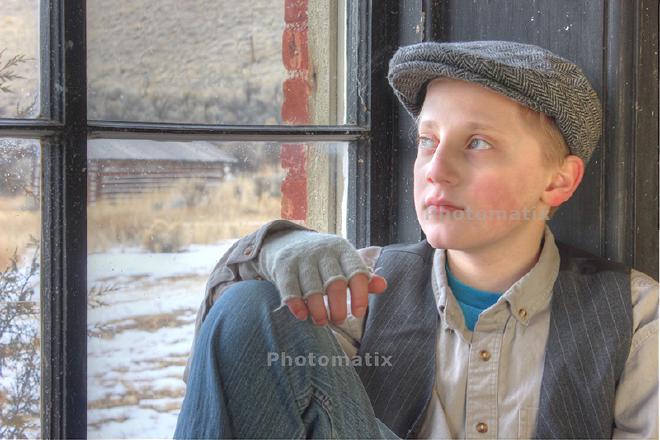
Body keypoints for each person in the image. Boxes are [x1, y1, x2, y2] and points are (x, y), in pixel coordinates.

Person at [174, 41, 658, 439]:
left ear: (558, 181)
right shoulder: (360, 289)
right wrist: (271, 248)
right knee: (252, 308)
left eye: (478, 143)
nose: (436, 170)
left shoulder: (636, 317)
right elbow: (231, 385)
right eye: (428, 140)